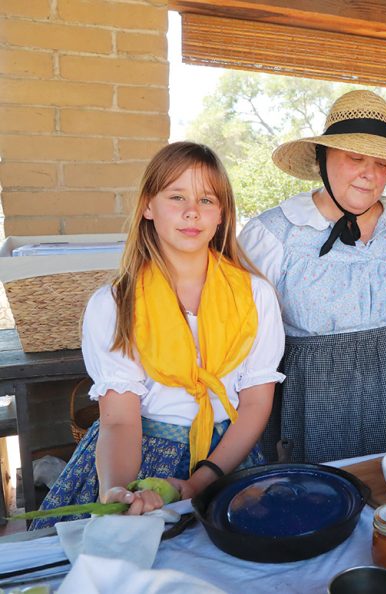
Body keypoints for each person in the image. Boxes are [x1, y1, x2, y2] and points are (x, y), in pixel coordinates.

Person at [31, 142, 285, 529]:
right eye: (176, 196)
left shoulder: (255, 296)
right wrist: (119, 491)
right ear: (148, 206)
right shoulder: (115, 304)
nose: (191, 212)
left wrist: (201, 480)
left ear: (222, 215)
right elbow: (120, 421)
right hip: (141, 457)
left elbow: (254, 405)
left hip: (227, 459)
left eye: (206, 200)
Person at [239, 89, 386, 464]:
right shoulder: (274, 234)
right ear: (322, 159)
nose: (370, 174)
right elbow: (241, 337)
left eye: (383, 164)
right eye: (355, 158)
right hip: (315, 395)